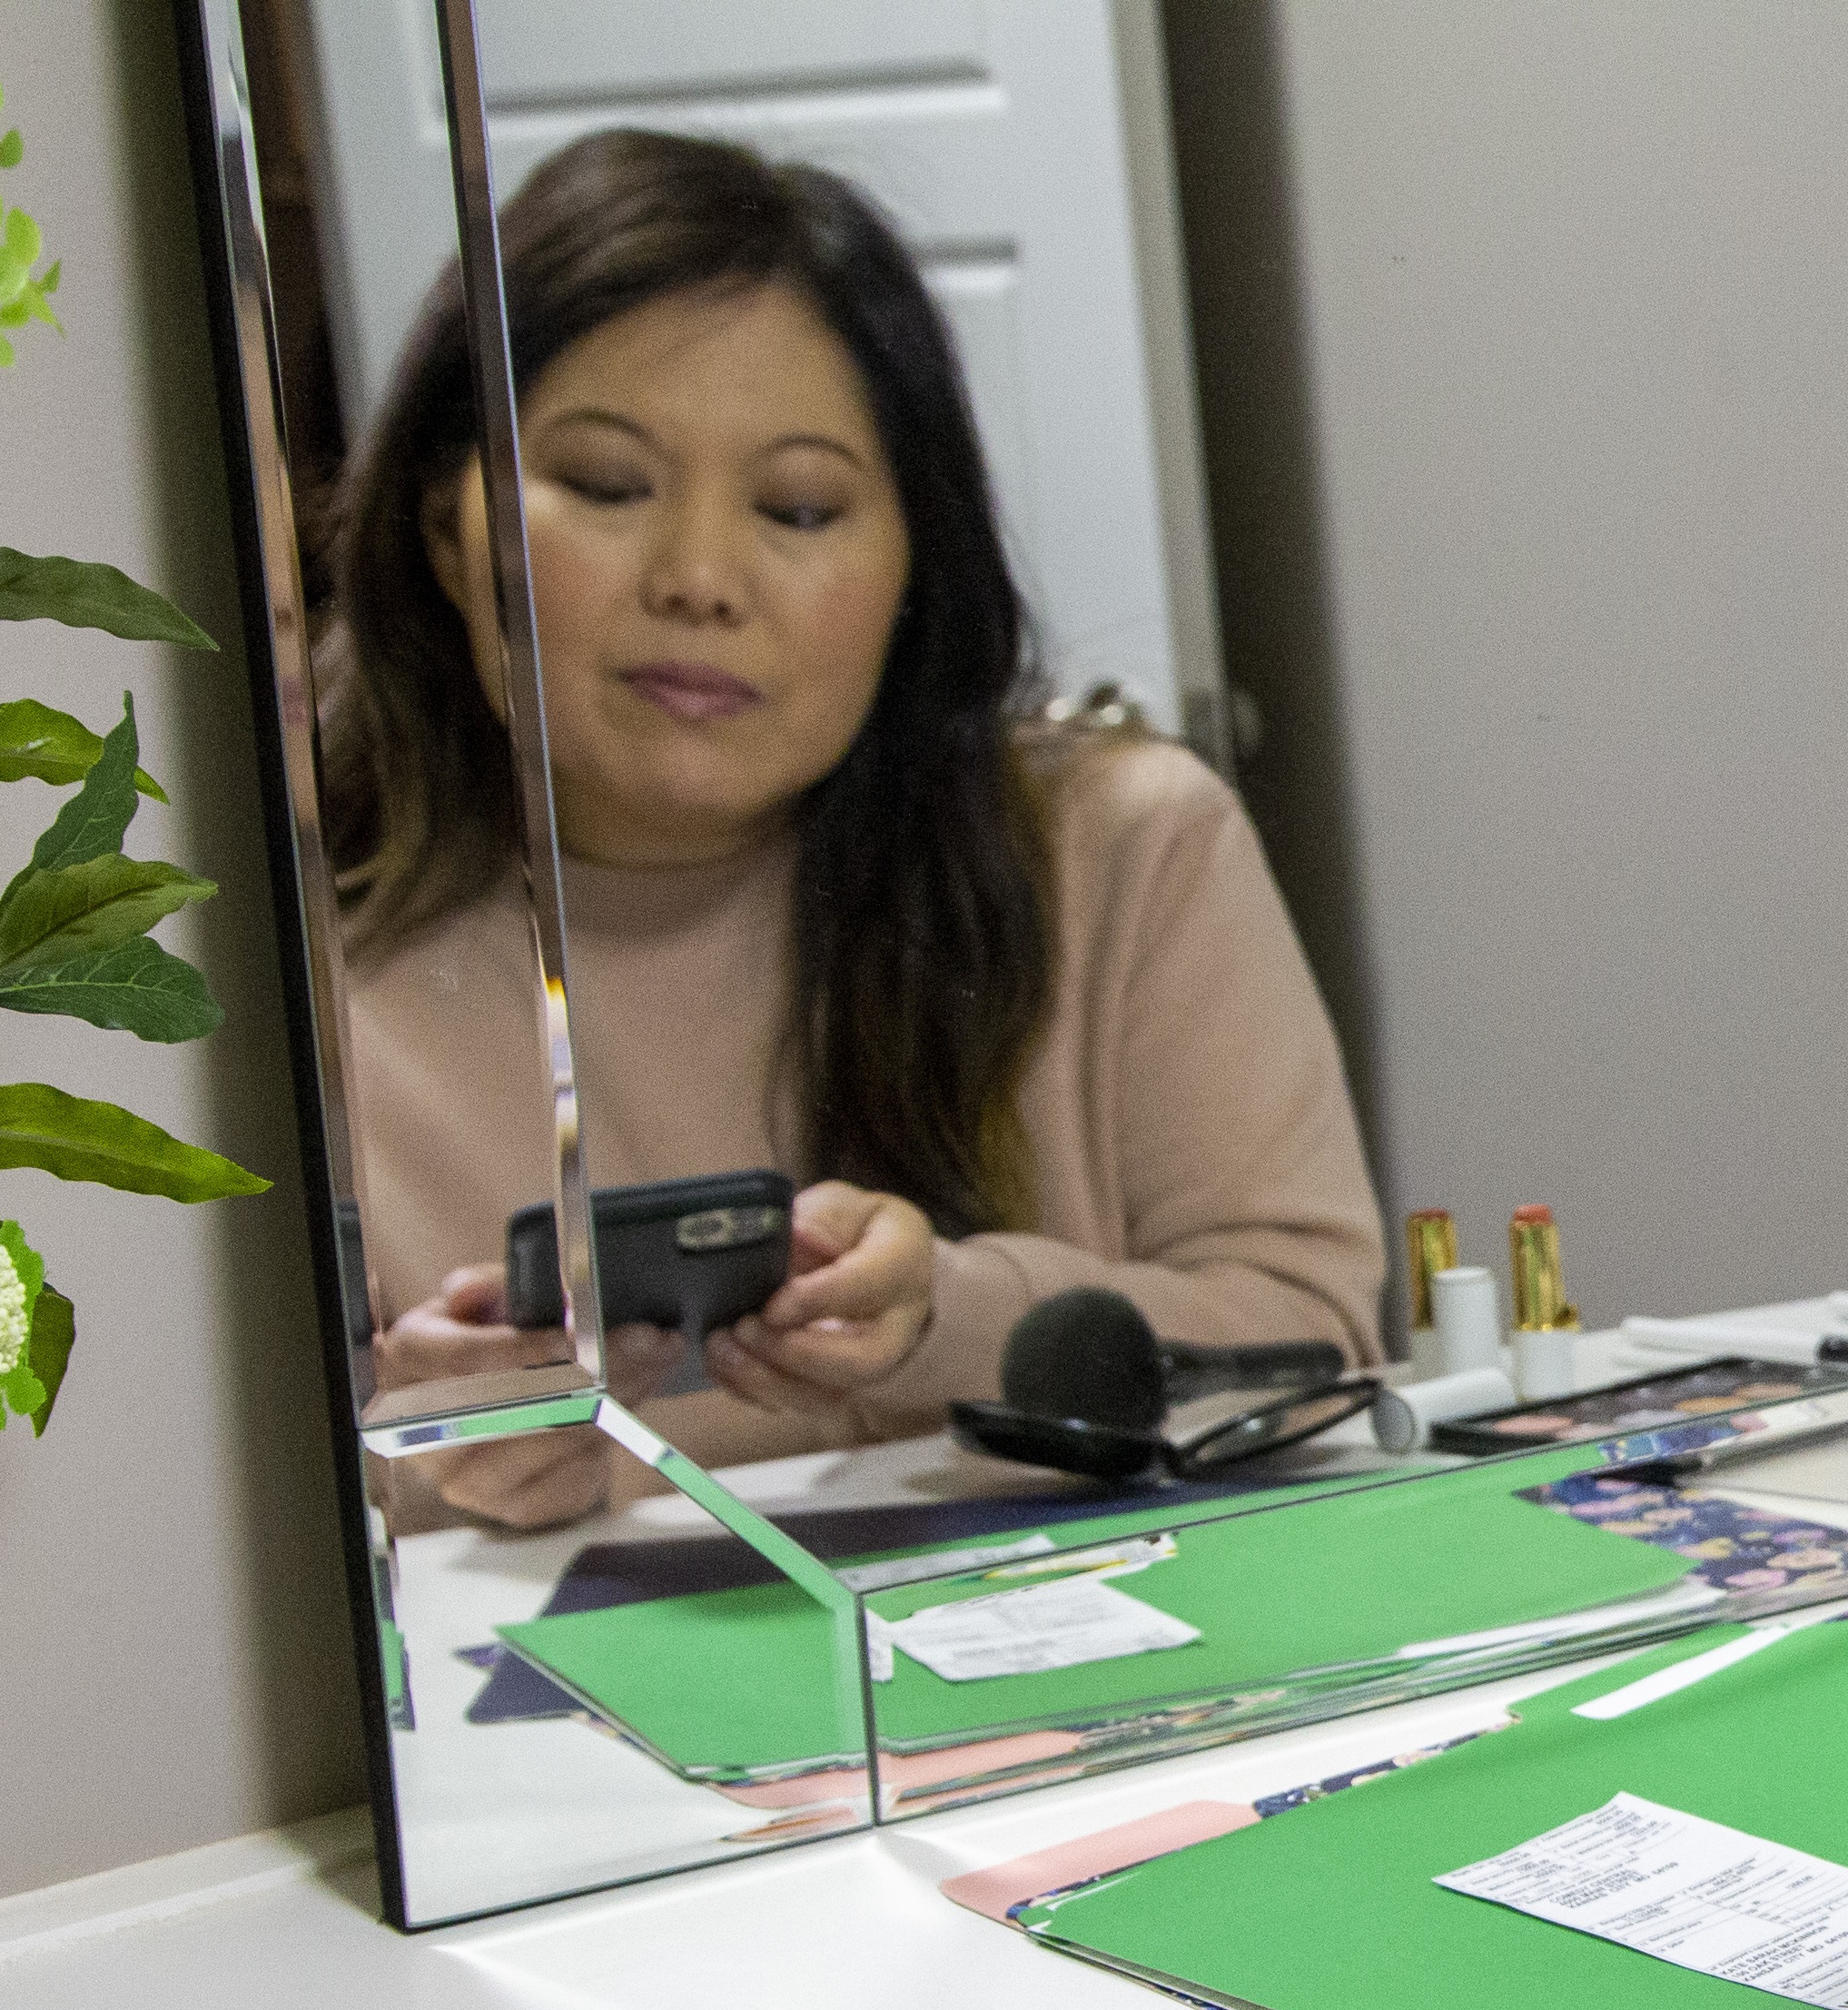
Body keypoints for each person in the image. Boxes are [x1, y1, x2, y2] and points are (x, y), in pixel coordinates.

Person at [323, 129, 1383, 1528]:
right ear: (445, 533)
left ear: (912, 567)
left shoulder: (1126, 846)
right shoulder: (282, 955)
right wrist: (413, 1466)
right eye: (607, 485)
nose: (700, 579)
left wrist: (945, 1309)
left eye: (799, 507)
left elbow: (1318, 1345)